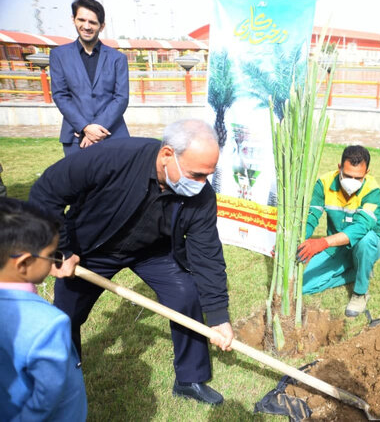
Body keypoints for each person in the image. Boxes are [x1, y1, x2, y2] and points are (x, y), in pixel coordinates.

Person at [28, 119, 234, 406]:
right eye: (196, 174)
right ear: (166, 155)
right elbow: (46, 191)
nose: (201, 184)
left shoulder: (202, 195)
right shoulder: (114, 156)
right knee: (65, 316)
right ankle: (65, 380)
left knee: (186, 295)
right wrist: (60, 249)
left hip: (152, 251)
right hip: (90, 250)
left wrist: (219, 316)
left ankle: (190, 379)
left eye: (208, 176)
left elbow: (207, 252)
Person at [0, 197, 87, 420]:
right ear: (24, 264)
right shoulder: (49, 323)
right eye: (50, 255)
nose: (54, 262)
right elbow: (47, 395)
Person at [297, 145, 380, 317]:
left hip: (367, 244)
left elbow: (360, 229)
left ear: (367, 172)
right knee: (302, 287)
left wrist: (322, 243)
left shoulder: (373, 191)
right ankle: (357, 271)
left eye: (358, 177)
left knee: (365, 239)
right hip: (337, 246)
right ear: (339, 167)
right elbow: (311, 217)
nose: (351, 181)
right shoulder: (323, 183)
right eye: (347, 175)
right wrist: (296, 242)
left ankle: (360, 293)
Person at [50, 0, 130, 156]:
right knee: (78, 181)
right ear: (73, 20)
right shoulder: (59, 55)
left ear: (102, 26)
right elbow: (60, 95)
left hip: (111, 134)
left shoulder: (117, 58)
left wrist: (97, 129)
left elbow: (121, 97)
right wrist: (85, 127)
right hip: (75, 136)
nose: (86, 26)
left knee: (115, 181)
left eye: (92, 22)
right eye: (81, 20)